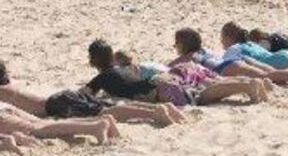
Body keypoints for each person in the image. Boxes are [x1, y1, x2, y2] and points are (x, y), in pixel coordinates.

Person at [0, 60, 185, 125]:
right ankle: (158, 108)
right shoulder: (15, 85)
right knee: (108, 107)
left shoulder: (0, 92)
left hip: (56, 104)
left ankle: (153, 114)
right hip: (61, 96)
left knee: (104, 113)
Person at [85, 39, 269, 106]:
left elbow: (84, 95)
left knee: (201, 98)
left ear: (93, 60)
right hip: (160, 79)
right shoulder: (122, 68)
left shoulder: (101, 77)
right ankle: (245, 83)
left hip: (159, 88)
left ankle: (247, 85)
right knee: (199, 91)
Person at [169, 27, 288, 91]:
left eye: (176, 44)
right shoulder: (205, 50)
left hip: (226, 68)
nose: (175, 47)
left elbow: (167, 69)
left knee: (268, 75)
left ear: (182, 45)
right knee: (272, 74)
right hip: (236, 61)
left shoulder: (188, 56)